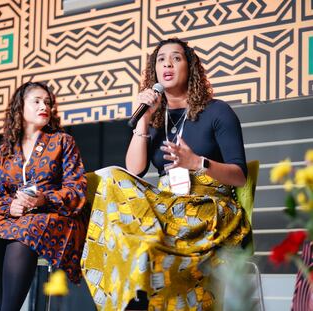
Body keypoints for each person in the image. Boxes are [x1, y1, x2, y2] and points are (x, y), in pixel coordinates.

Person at [81, 37, 251, 310]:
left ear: (190, 68)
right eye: (160, 59)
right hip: (168, 206)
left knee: (143, 234)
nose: (167, 64)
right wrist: (146, 118)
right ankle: (131, 297)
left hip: (209, 207)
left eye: (176, 57)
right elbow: (134, 169)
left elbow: (239, 175)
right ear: (154, 71)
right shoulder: (157, 117)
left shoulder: (218, 111)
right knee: (113, 177)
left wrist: (198, 162)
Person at [0, 81, 87, 310]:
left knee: (23, 235)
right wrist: (10, 207)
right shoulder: (6, 149)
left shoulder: (62, 142)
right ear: (20, 108)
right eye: (36, 101)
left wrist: (44, 199)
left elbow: (76, 188)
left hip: (52, 214)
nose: (43, 106)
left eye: (47, 102)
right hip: (14, 216)